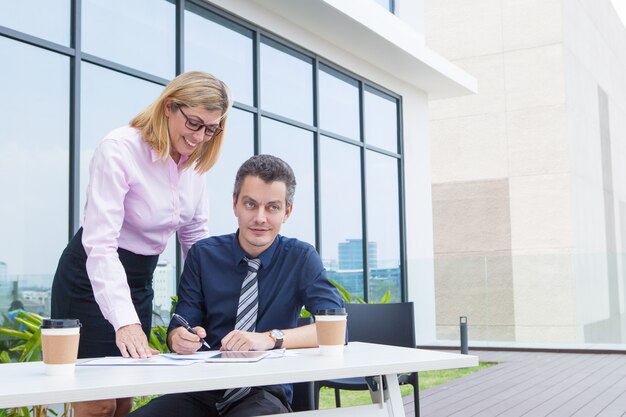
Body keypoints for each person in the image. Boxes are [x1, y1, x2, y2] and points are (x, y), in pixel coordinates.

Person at [50, 71, 232, 417]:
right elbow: (100, 244)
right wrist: (125, 321)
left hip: (139, 281)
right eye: (194, 123)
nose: (199, 137)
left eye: (210, 129)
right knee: (99, 400)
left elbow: (195, 239)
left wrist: (213, 301)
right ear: (169, 107)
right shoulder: (119, 149)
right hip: (90, 279)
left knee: (124, 399)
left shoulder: (194, 167)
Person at [129, 154, 344, 417]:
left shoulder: (300, 258)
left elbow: (336, 330)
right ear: (235, 205)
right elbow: (180, 325)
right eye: (250, 204)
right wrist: (179, 338)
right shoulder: (203, 255)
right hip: (200, 387)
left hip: (263, 391)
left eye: (273, 207)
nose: (260, 218)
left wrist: (269, 339)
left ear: (287, 212)